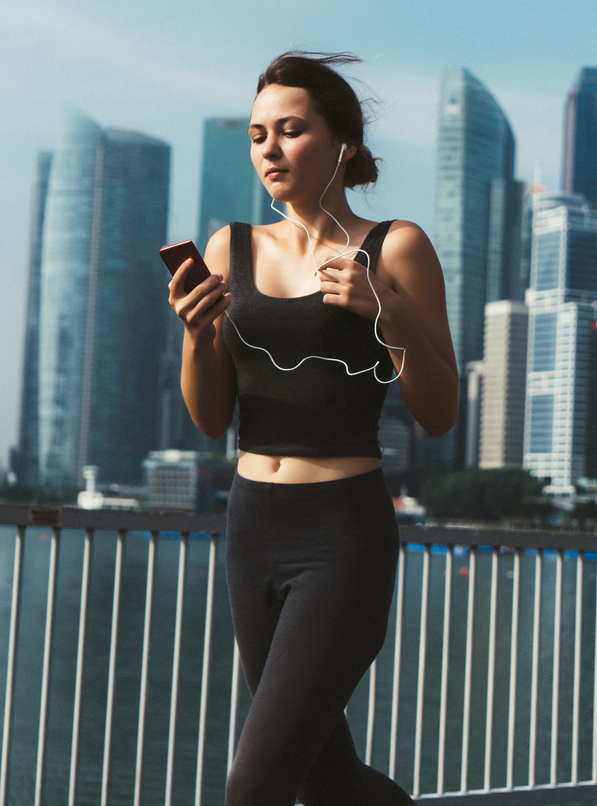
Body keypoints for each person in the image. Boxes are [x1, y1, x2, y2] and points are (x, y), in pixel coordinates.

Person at [167, 51, 458, 805]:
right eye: (258, 134)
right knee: (326, 780)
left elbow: (439, 410)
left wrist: (384, 309)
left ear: (344, 143)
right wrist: (197, 338)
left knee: (254, 786)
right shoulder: (229, 247)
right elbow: (210, 420)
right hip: (250, 526)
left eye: (290, 130)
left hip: (341, 537)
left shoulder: (395, 247)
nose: (269, 147)